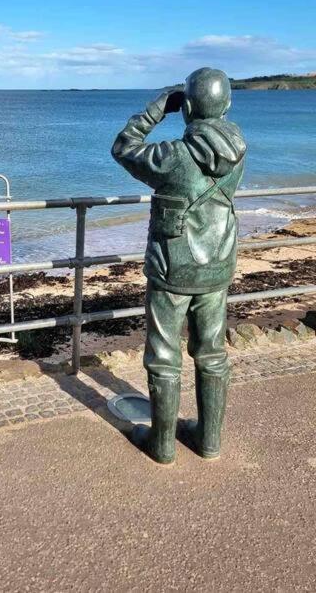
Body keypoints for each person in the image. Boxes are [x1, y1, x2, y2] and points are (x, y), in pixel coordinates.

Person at [111, 67, 246, 465]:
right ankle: (208, 441)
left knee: (164, 357)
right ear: (228, 105)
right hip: (217, 266)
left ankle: (163, 445)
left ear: (185, 107)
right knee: (212, 353)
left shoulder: (171, 156)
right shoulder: (239, 148)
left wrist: (156, 109)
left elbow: (123, 147)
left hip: (172, 270)